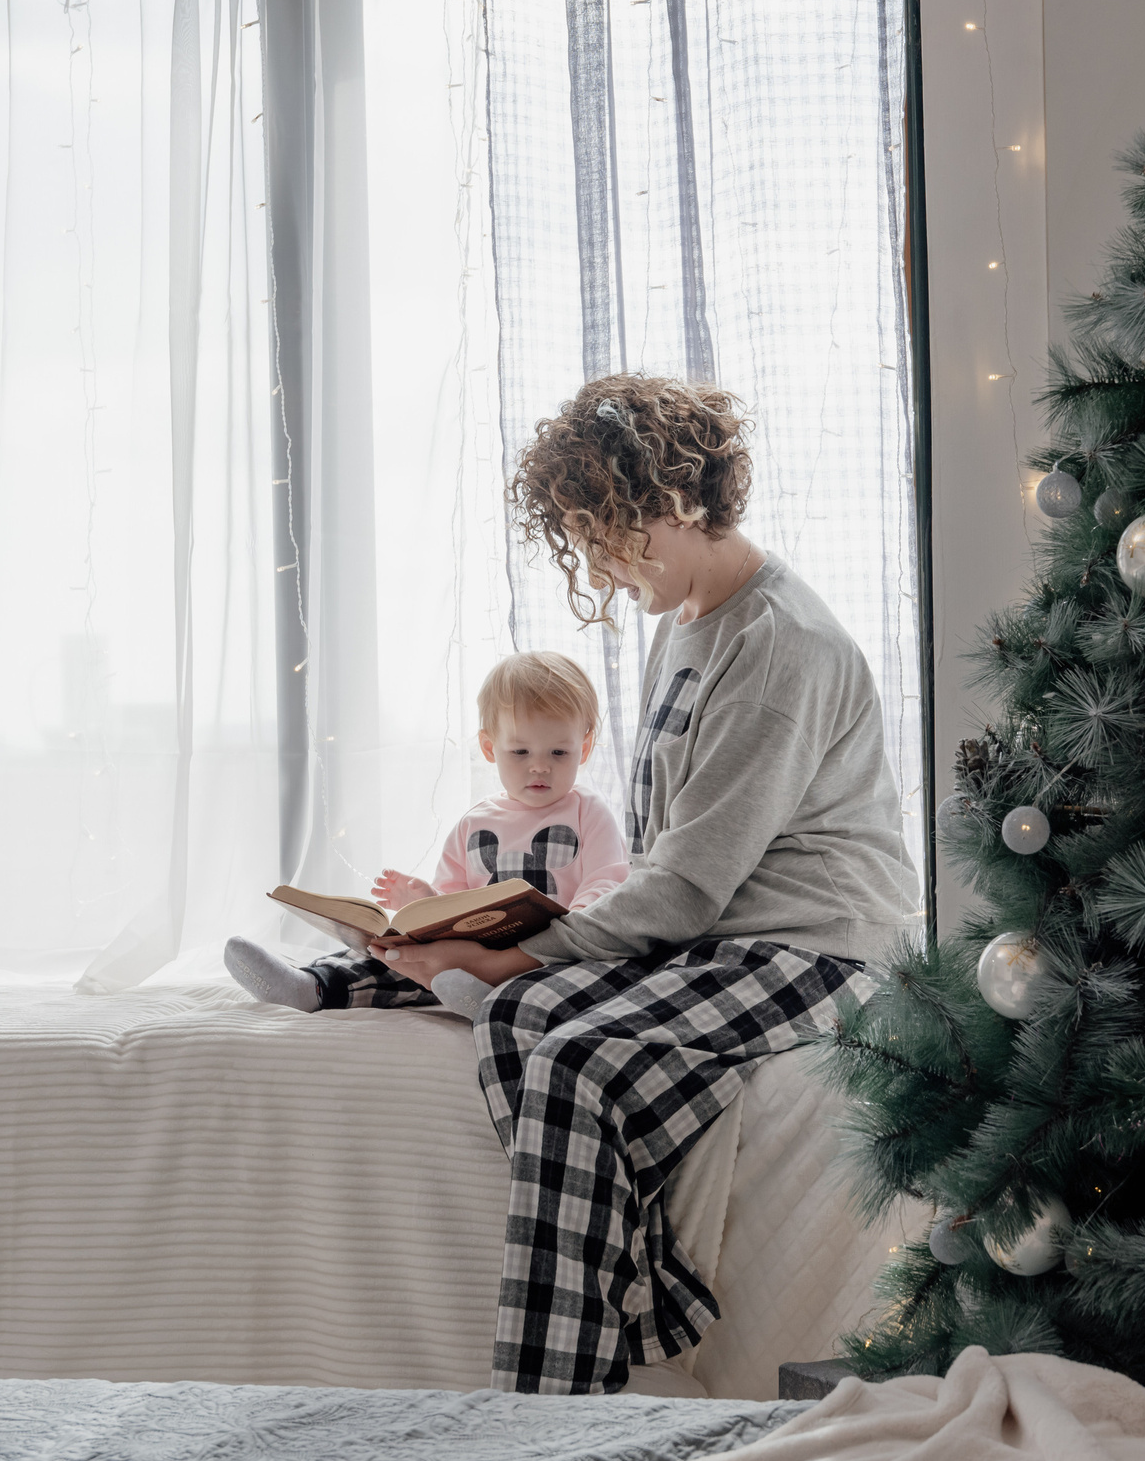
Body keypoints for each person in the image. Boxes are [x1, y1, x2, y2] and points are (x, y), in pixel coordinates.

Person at [373, 373, 920, 1394]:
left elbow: (682, 892)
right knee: (511, 1016)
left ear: (669, 510)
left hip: (818, 943)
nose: (597, 566)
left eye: (605, 539)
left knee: (573, 1058)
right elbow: (673, 863)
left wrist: (513, 944)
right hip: (721, 935)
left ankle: (552, 1410)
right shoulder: (688, 619)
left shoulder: (777, 649)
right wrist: (521, 957)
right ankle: (653, 1285)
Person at [221, 651, 632, 1013]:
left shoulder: (588, 812)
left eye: (559, 752)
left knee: (572, 985)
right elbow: (451, 910)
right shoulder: (475, 824)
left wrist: (567, 927)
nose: (539, 766)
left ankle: (492, 1007)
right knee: (394, 956)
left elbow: (606, 885)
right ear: (489, 748)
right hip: (467, 954)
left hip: (545, 957)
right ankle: (312, 986)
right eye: (520, 752)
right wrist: (423, 901)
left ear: (586, 744)